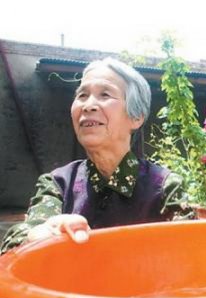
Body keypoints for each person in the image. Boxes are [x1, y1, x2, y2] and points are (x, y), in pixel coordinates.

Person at [1, 58, 185, 254]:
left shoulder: (164, 187)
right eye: (82, 95)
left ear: (136, 116)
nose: (88, 106)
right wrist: (38, 235)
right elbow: (14, 246)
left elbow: (189, 256)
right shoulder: (58, 184)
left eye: (105, 94)